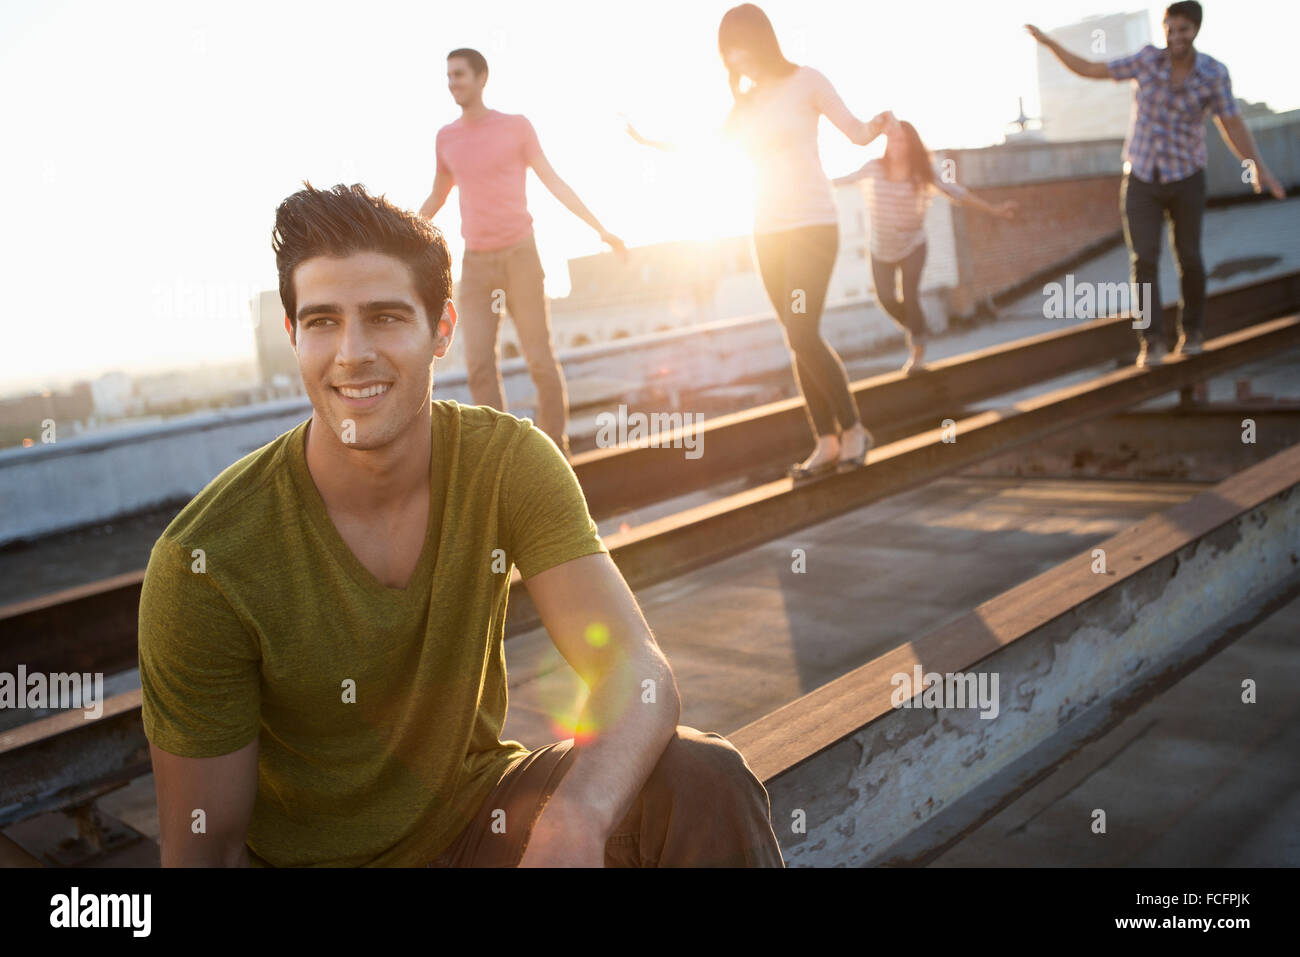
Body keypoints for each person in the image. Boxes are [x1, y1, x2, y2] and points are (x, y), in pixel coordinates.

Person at [138, 182, 784, 868]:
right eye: (323, 321)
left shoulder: (507, 461)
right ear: (294, 336)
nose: (352, 351)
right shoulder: (205, 560)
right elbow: (203, 854)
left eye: (386, 317)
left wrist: (577, 818)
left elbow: (639, 671)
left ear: (442, 330)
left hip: (480, 825)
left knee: (703, 781)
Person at [628, 4, 890, 480]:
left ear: (761, 40)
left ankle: (854, 429)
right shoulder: (745, 103)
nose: (733, 59)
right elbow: (708, 144)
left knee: (804, 331)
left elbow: (854, 132)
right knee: (795, 338)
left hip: (813, 226)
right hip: (767, 233)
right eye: (726, 52)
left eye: (738, 47)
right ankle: (826, 440)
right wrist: (650, 144)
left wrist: (876, 128)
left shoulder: (807, 81)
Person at [1027, 2, 1285, 369]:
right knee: (1144, 260)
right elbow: (1091, 68)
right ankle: (1152, 341)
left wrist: (1259, 169)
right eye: (1170, 28)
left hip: (1187, 177)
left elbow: (1232, 124)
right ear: (1164, 29)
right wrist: (1050, 43)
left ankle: (1192, 333)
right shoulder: (1147, 61)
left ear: (1195, 31)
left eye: (1184, 30)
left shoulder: (1213, 73)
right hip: (1142, 177)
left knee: (1189, 257)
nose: (1176, 36)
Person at [418, 48, 628, 460]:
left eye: (459, 75)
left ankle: (555, 450)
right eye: (448, 76)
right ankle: (504, 458)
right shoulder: (446, 138)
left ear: (481, 78)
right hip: (476, 264)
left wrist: (601, 229)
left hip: (520, 256)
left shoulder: (516, 127)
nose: (452, 83)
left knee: (539, 359)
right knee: (478, 364)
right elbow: (438, 196)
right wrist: (397, 233)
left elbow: (554, 181)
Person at [833, 117, 1017, 373]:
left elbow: (957, 193)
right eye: (892, 140)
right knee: (886, 299)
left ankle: (917, 353)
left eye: (902, 141)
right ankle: (918, 327)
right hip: (880, 249)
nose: (896, 145)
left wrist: (993, 210)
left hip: (913, 245)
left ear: (911, 145)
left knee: (910, 295)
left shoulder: (922, 173)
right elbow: (840, 180)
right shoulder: (874, 168)